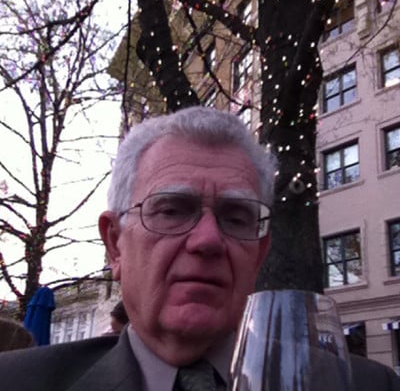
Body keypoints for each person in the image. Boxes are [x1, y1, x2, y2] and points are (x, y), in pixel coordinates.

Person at [0, 106, 398, 390]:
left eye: (236, 217)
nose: (207, 240)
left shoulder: (366, 385)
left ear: (259, 253)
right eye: (172, 210)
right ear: (115, 244)